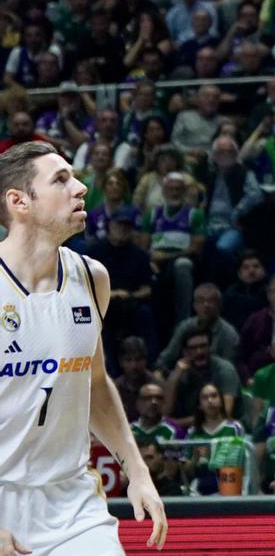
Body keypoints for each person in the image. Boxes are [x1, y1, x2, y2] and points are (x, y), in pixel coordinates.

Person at [0, 142, 169, 556]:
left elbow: (93, 382)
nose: (80, 188)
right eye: (61, 180)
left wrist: (137, 470)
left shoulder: (92, 278)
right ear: (19, 201)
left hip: (73, 502)